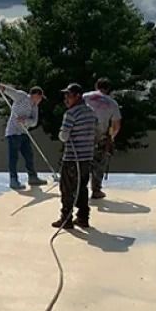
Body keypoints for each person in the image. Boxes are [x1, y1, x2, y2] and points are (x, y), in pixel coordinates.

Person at [54, 83, 97, 229]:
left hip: (73, 158)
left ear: (78, 96)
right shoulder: (91, 112)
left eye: (69, 95)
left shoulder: (71, 114)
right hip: (87, 157)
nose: (66, 99)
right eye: (65, 96)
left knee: (67, 189)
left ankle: (66, 219)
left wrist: (62, 133)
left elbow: (64, 137)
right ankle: (83, 218)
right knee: (81, 188)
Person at [0, 83, 46, 189]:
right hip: (13, 132)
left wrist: (25, 121)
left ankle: (32, 177)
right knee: (13, 157)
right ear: (36, 95)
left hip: (24, 132)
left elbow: (34, 122)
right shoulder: (22, 97)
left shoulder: (35, 107)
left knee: (29, 155)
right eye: (40, 97)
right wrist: (3, 88)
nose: (40, 100)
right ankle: (13, 180)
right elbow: (12, 93)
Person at [83, 78, 122, 199]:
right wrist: (111, 137)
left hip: (82, 134)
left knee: (81, 162)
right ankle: (96, 190)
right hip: (100, 135)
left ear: (96, 86)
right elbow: (116, 125)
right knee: (99, 163)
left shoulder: (85, 97)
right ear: (108, 89)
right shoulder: (112, 103)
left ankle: (78, 188)